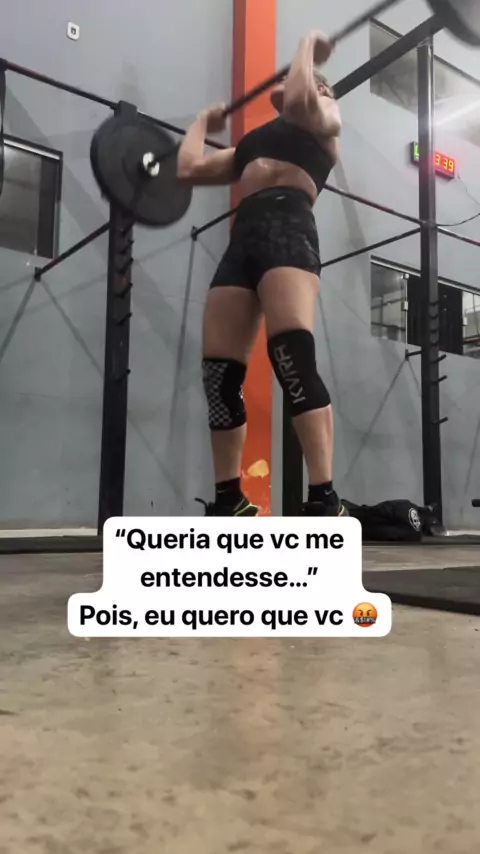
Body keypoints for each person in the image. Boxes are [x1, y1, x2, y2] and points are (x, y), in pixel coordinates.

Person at [177, 30, 347, 518]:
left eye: (305, 78)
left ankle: (324, 498)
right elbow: (189, 169)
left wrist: (308, 44)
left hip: (289, 229)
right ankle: (229, 498)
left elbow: (298, 99)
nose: (291, 81)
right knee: (218, 376)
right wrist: (201, 122)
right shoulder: (251, 144)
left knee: (291, 358)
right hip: (244, 239)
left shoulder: (326, 119)